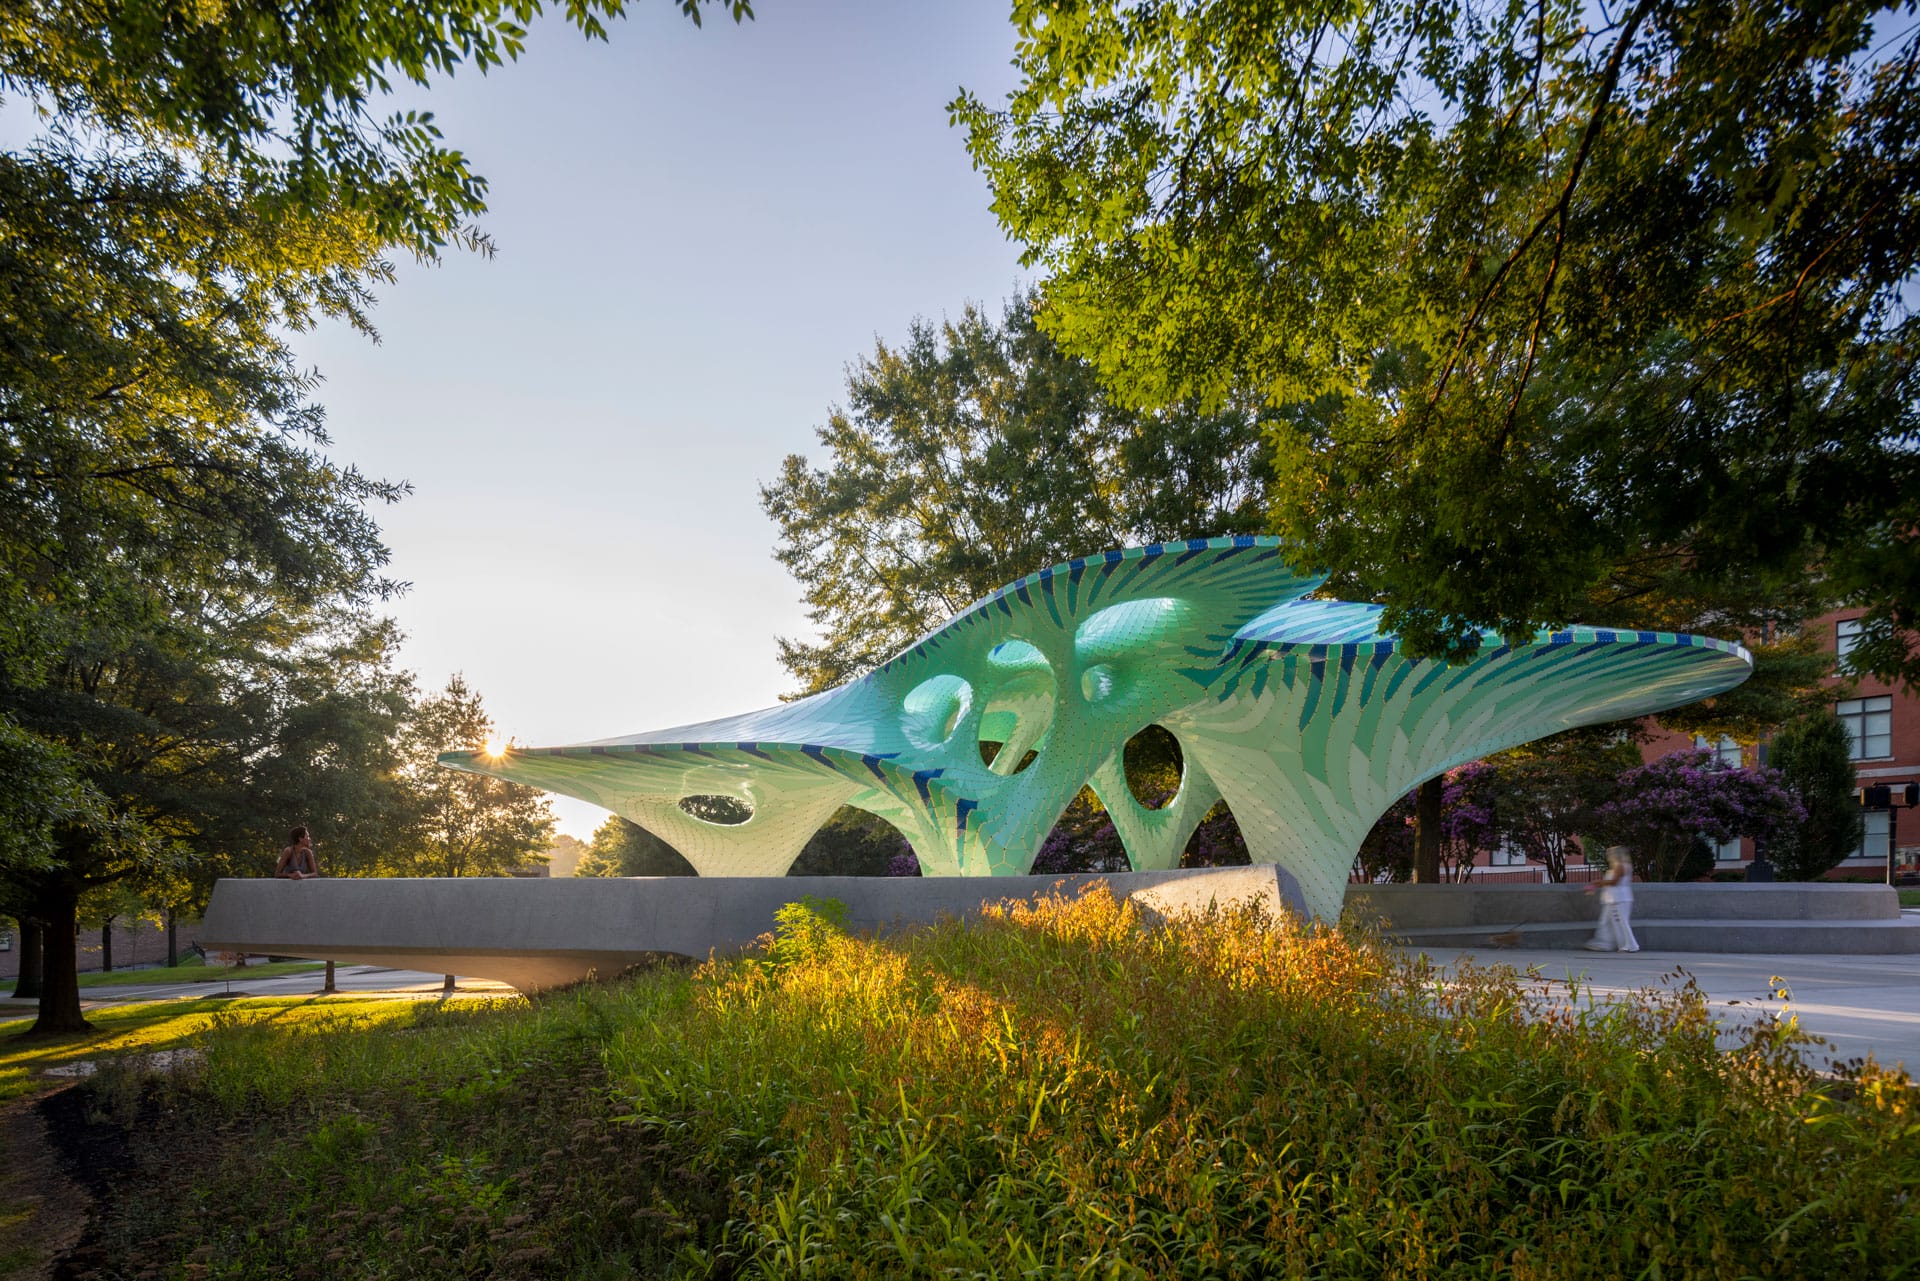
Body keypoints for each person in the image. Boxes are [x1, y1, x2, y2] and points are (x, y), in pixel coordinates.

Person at [1583, 845, 1639, 952]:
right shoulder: (1621, 865)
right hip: (1615, 898)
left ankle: (1631, 945)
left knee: (1622, 923)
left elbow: (1614, 882)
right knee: (1613, 923)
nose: (1608, 856)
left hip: (1619, 898)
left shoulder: (1620, 866)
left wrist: (1597, 883)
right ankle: (1618, 944)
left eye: (1610, 854)